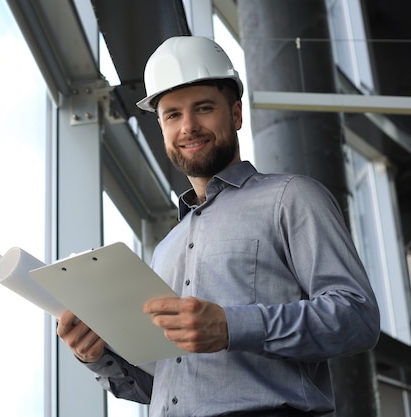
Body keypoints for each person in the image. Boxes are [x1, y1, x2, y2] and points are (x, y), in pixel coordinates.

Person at [57, 35, 380, 417]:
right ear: (161, 127)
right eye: (172, 115)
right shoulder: (165, 249)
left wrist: (233, 327)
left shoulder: (292, 198)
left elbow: (357, 317)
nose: (188, 127)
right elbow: (162, 383)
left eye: (204, 108)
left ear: (237, 114)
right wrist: (96, 356)